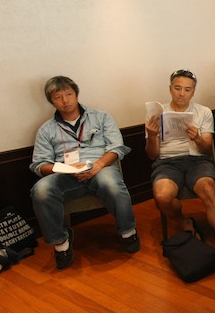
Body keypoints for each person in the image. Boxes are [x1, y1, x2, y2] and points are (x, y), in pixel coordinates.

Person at [30, 76, 138, 269]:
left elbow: (117, 148)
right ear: (51, 101)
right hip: (66, 175)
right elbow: (40, 164)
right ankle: (61, 243)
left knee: (111, 183)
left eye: (69, 94)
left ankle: (128, 232)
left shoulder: (101, 117)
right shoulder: (46, 130)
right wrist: (65, 169)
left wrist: (98, 165)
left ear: (76, 94)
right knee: (41, 190)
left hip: (100, 168)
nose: (65, 100)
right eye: (58, 97)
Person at [146, 70, 215, 279]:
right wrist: (152, 136)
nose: (182, 93)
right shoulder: (157, 113)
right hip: (167, 162)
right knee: (162, 196)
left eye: (187, 89)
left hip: (197, 160)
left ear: (193, 91)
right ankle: (184, 221)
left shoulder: (203, 112)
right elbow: (152, 155)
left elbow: (207, 149)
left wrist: (197, 138)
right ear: (170, 88)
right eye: (177, 88)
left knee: (209, 190)